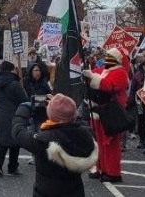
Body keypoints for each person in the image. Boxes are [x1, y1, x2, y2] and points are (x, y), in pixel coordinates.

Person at [11, 93, 98, 197]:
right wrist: (63, 106)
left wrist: (22, 111)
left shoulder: (45, 141)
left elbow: (18, 132)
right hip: (75, 192)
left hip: (46, 192)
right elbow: (74, 120)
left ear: (51, 116)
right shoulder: (85, 135)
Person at [81, 47, 129, 183]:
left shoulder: (120, 72)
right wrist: (86, 72)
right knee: (99, 143)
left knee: (110, 144)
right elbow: (94, 74)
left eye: (110, 57)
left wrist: (92, 77)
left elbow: (109, 86)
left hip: (111, 112)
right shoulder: (104, 71)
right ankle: (101, 168)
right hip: (98, 111)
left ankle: (113, 172)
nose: (107, 59)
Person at [0, 60, 28, 176]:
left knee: (5, 140)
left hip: (1, 114)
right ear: (11, 70)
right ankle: (11, 166)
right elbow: (24, 99)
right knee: (15, 140)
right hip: (15, 114)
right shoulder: (14, 84)